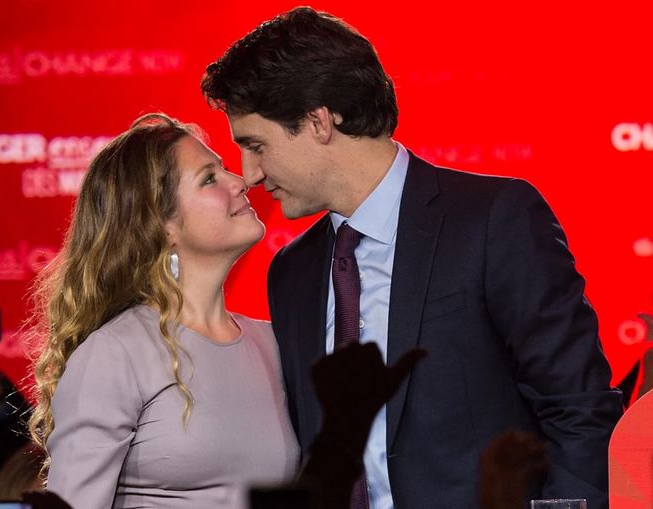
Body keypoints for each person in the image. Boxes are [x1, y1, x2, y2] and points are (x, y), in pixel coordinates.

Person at [201, 6, 624, 509]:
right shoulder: (292, 272)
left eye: (256, 145)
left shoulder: (493, 220)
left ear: (317, 121)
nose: (248, 173)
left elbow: (579, 409)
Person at [29, 113, 299, 509]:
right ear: (161, 225)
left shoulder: (272, 343)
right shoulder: (116, 353)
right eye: (209, 178)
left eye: (224, 169)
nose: (240, 181)